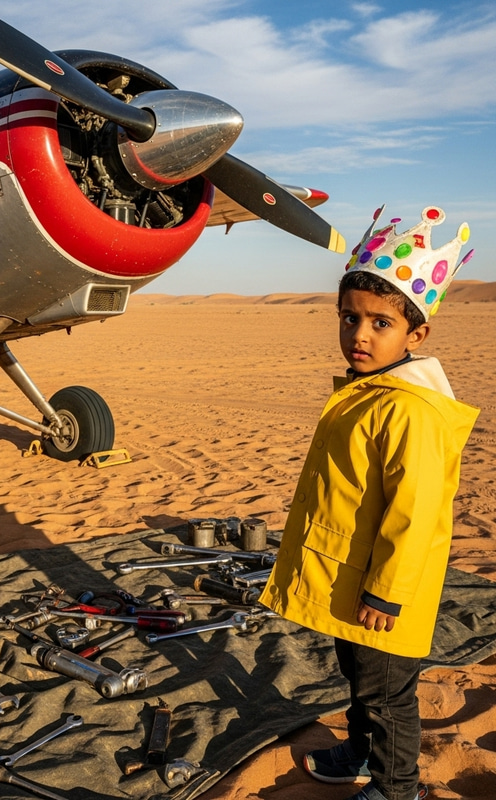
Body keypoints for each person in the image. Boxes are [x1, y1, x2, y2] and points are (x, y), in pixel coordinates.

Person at [259, 206, 480, 800]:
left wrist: (388, 591)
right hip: (351, 579)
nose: (359, 335)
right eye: (349, 318)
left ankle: (395, 787)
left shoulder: (411, 409)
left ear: (416, 334)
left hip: (384, 591)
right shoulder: (369, 392)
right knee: (360, 680)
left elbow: (418, 512)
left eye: (380, 323)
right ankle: (359, 751)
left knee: (387, 696)